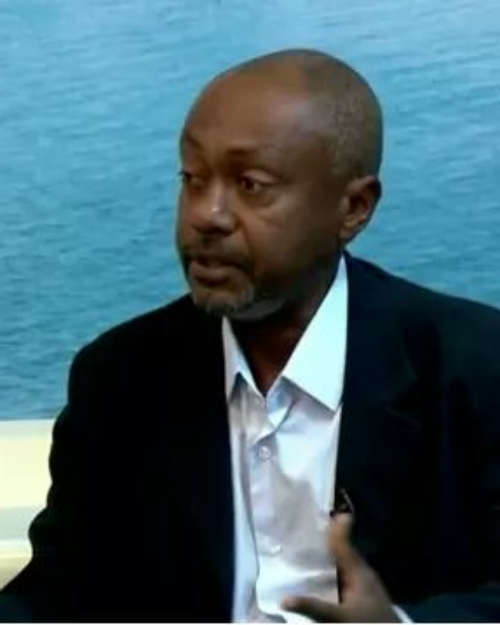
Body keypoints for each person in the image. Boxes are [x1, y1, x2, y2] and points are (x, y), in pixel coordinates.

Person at [0, 48, 499, 623]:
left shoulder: (473, 368)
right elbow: (61, 592)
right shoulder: (120, 377)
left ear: (353, 208)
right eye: (192, 179)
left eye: (250, 184)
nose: (207, 215)